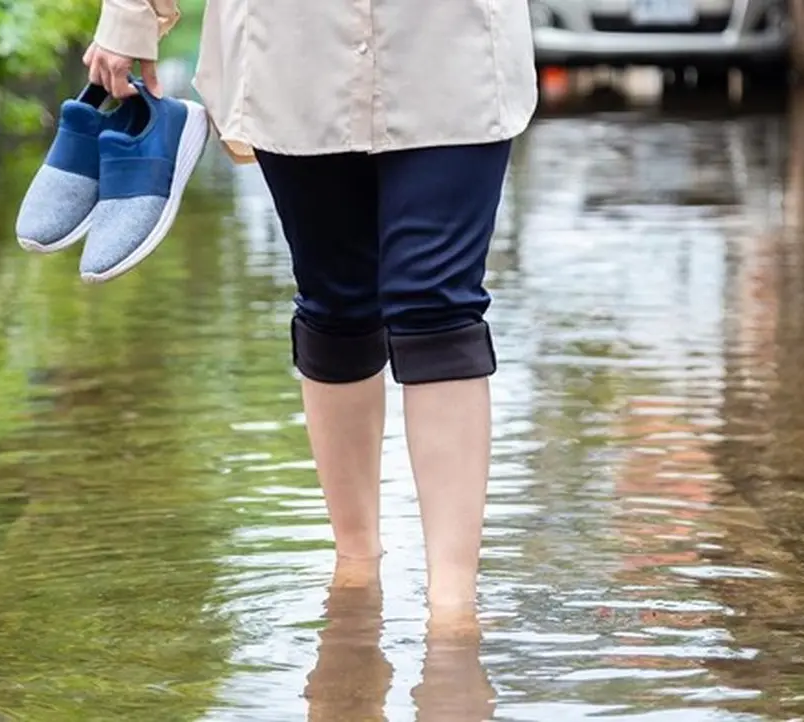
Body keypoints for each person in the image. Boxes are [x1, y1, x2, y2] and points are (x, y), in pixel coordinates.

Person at [86, 1, 538, 616]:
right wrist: (132, 17)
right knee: (336, 301)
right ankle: (355, 564)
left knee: (438, 305)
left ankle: (453, 607)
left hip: (449, 43)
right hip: (292, 47)